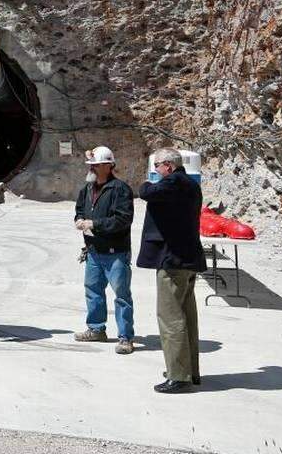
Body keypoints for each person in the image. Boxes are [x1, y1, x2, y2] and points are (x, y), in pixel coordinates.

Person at [138, 147, 207, 394]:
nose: (156, 171)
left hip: (174, 262)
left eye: (157, 166)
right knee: (187, 318)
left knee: (170, 318)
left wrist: (146, 182)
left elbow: (147, 192)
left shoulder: (174, 182)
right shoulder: (190, 183)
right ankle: (189, 371)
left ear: (168, 165)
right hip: (188, 260)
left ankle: (179, 376)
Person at [73, 146, 136, 354]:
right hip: (93, 250)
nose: (92, 168)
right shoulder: (87, 189)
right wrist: (80, 219)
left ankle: (125, 337)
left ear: (109, 166)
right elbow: (80, 209)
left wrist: (94, 224)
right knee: (93, 292)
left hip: (115, 252)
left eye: (96, 165)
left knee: (121, 295)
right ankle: (96, 329)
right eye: (91, 165)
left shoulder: (120, 189)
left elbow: (123, 219)